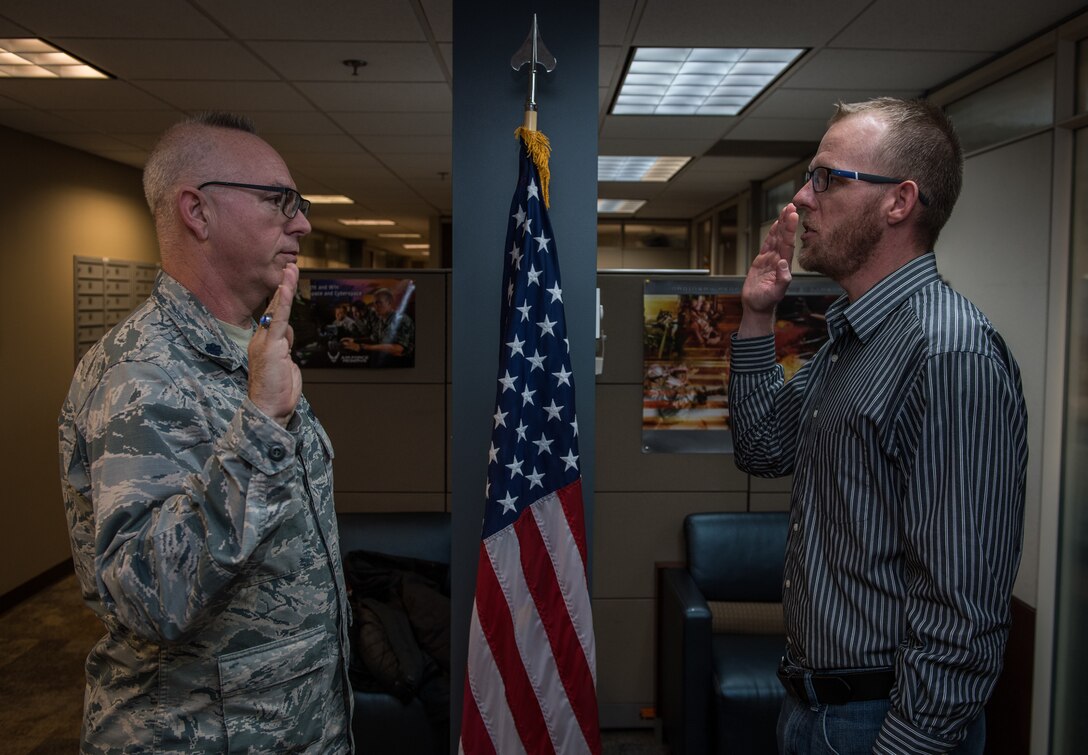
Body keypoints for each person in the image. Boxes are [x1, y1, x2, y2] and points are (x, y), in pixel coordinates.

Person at [727, 98, 1027, 754]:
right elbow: (762, 445)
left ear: (899, 202)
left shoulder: (948, 351)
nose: (803, 197)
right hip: (813, 710)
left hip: (883, 723)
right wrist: (756, 315)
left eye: (828, 178)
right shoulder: (851, 337)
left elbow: (962, 610)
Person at [58, 112, 354, 753]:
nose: (301, 222)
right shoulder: (141, 374)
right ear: (198, 211)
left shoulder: (247, 348)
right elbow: (150, 598)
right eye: (279, 201)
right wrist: (262, 427)